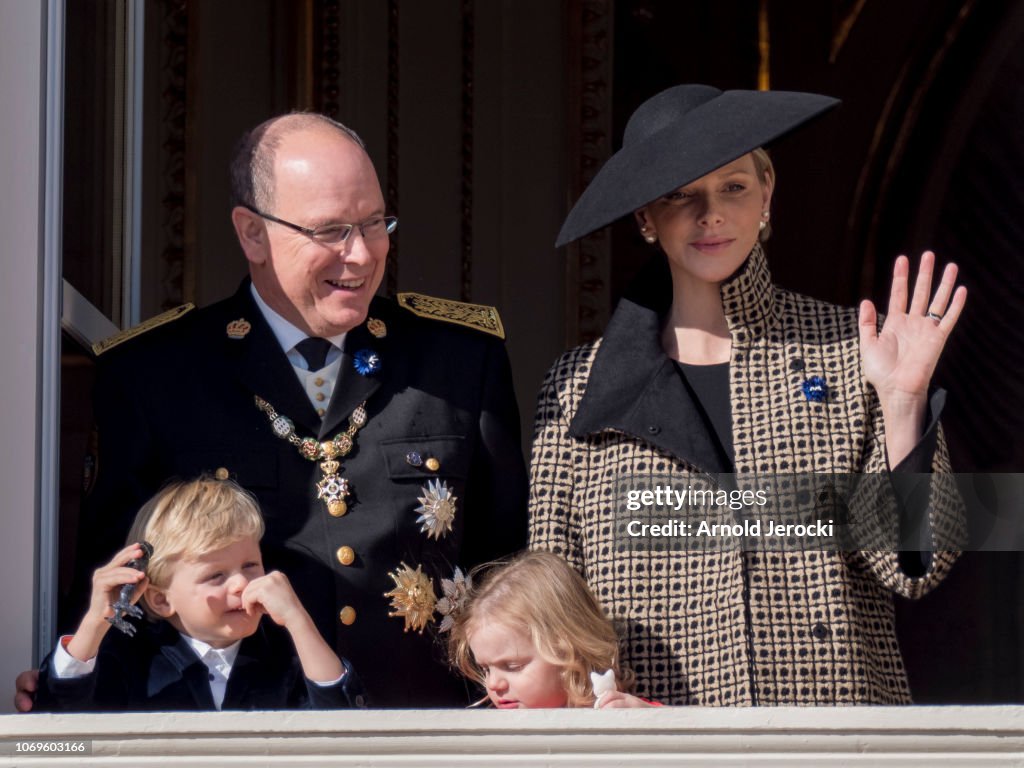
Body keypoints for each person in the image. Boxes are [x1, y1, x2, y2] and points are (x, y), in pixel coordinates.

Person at [16, 111, 528, 710]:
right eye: (331, 230)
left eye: (373, 223)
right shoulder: (153, 374)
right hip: (235, 736)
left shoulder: (461, 362)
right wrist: (71, 683)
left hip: (423, 729)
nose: (361, 254)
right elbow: (116, 587)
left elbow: (508, 569)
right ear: (252, 233)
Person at [529, 85, 966, 706]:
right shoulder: (574, 387)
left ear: (767, 196)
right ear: (645, 217)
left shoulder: (853, 351)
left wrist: (901, 401)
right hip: (654, 739)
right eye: (681, 193)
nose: (710, 214)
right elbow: (553, 604)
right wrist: (598, 711)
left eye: (733, 187)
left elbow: (912, 569)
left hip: (833, 735)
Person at [36, 477, 364, 711]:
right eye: (215, 575)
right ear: (161, 600)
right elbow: (59, 723)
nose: (240, 584)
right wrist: (95, 623)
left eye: (250, 565)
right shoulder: (130, 660)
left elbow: (343, 724)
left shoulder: (284, 656)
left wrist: (297, 620)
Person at [448, 551, 655, 708]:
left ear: (569, 648)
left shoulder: (618, 713)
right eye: (486, 669)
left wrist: (647, 721)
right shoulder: (492, 735)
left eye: (512, 666)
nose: (493, 683)